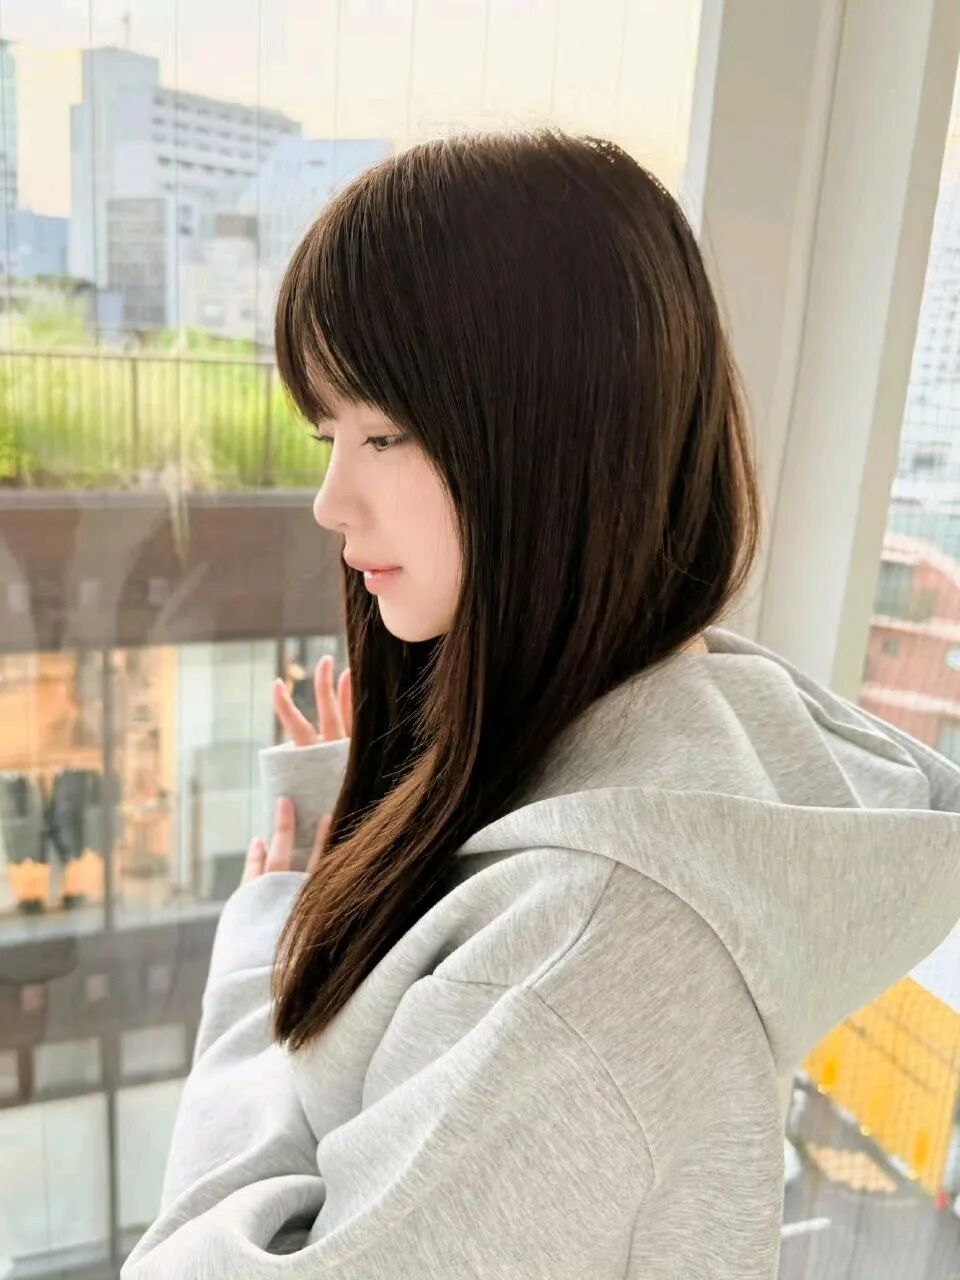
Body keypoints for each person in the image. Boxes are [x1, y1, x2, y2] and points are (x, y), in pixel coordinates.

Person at [122, 128, 960, 1279]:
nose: (330, 498)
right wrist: (361, 844)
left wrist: (264, 954)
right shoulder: (659, 758)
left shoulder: (582, 958)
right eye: (327, 435)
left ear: (556, 437)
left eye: (382, 432)